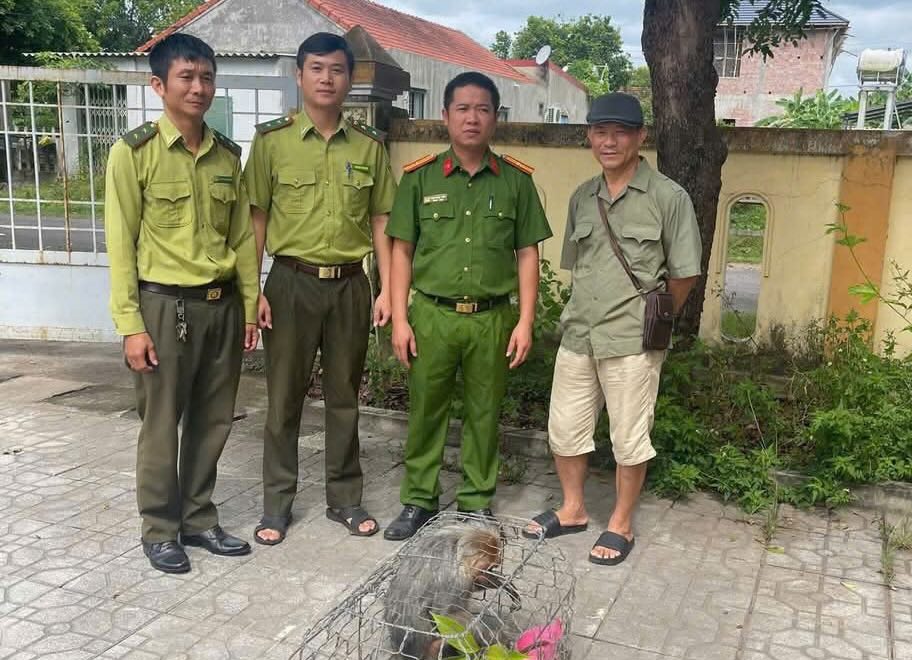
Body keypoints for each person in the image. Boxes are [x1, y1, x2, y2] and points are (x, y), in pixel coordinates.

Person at [524, 92, 702, 566]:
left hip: (632, 340)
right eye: (600, 131)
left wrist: (655, 317)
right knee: (564, 429)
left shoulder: (669, 197)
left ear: (641, 137)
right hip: (580, 332)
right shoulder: (584, 197)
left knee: (629, 437)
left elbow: (684, 274)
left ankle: (621, 522)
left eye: (620, 132)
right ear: (589, 136)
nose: (609, 141)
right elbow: (577, 266)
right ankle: (574, 508)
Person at [104, 33, 260, 574]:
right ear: (158, 84)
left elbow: (241, 238)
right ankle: (160, 528)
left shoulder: (226, 156)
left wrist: (249, 303)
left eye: (207, 77)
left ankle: (198, 517)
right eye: (187, 77)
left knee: (213, 421)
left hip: (221, 308)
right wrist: (130, 325)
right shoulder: (134, 152)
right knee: (161, 421)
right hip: (163, 309)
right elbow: (120, 244)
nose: (199, 87)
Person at [384, 72, 552, 541]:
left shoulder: (516, 182)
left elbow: (527, 253)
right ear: (445, 116)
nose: (472, 118)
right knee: (426, 411)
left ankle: (476, 502)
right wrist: (401, 319)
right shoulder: (419, 179)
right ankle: (419, 499)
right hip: (433, 316)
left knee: (484, 413)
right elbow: (400, 250)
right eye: (462, 108)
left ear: (495, 117)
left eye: (482, 109)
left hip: (492, 319)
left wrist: (524, 320)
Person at [243, 32, 396, 545]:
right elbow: (256, 222)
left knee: (344, 398)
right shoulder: (272, 142)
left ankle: (345, 499)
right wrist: (253, 289)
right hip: (289, 283)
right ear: (300, 75)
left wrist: (388, 289)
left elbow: (381, 222)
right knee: (284, 399)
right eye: (316, 68)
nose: (327, 78)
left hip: (351, 284)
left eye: (336, 69)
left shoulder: (369, 147)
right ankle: (277, 504)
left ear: (350, 78)